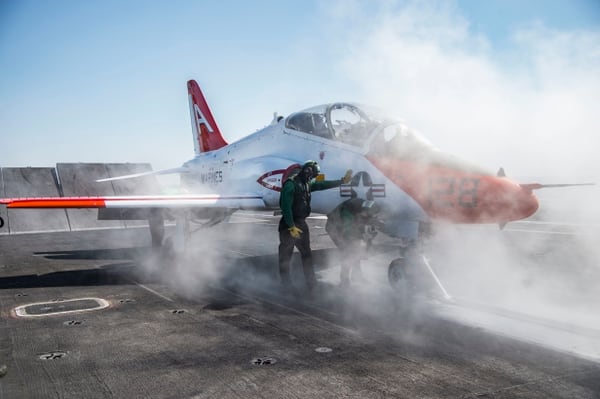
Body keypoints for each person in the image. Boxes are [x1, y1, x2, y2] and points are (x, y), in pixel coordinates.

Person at [279, 161, 352, 291]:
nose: (312, 178)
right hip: (288, 225)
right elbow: (286, 207)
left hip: (301, 223)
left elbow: (321, 184)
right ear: (307, 171)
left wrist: (342, 181)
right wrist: (291, 226)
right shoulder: (290, 185)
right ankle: (285, 284)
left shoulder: (306, 184)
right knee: (286, 255)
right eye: (312, 175)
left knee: (307, 254)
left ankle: (311, 283)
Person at [325, 198, 380, 288]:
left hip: (347, 229)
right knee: (347, 253)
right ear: (363, 210)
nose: (368, 216)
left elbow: (365, 222)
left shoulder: (364, 208)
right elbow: (349, 231)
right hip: (335, 228)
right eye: (367, 214)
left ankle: (357, 276)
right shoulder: (348, 212)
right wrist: (364, 237)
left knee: (356, 251)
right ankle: (344, 281)